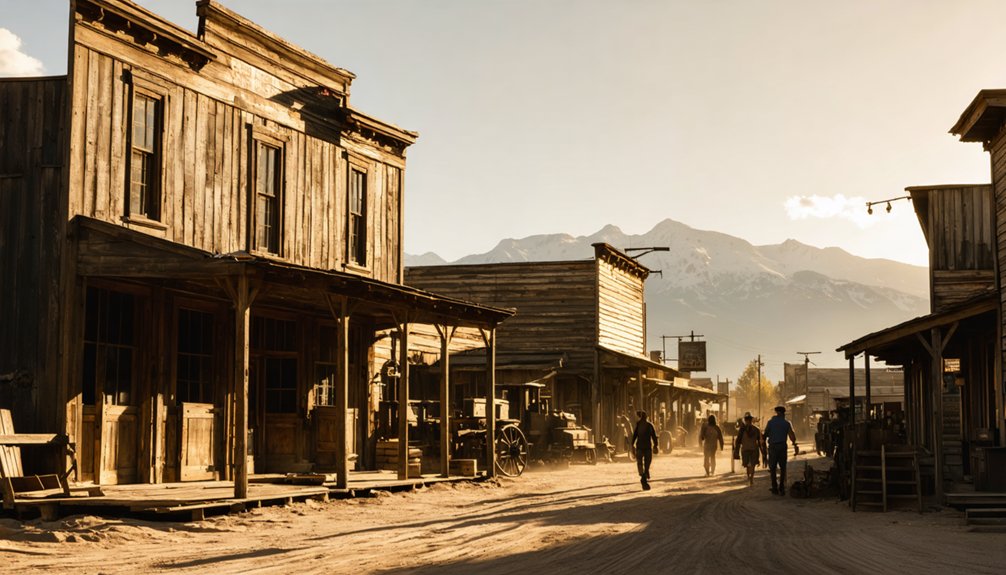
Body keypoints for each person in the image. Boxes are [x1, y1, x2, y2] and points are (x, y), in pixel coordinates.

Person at [762, 405, 798, 495]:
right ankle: (781, 487)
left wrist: (762, 443)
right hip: (782, 447)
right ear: (783, 413)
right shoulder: (786, 423)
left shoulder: (770, 423)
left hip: (773, 447)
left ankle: (774, 487)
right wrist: (794, 444)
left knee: (773, 468)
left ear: (777, 413)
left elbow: (765, 434)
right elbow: (792, 436)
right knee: (783, 468)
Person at [733, 412, 765, 486]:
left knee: (747, 465)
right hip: (754, 449)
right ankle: (751, 478)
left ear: (746, 420)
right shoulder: (756, 429)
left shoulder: (742, 430)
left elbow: (738, 441)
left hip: (745, 449)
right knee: (752, 465)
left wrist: (736, 451)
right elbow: (760, 442)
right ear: (751, 420)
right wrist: (762, 451)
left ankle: (749, 477)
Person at [632, 410, 659, 490]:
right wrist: (655, 445)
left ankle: (643, 476)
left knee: (642, 464)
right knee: (645, 464)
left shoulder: (644, 425)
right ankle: (644, 477)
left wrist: (655, 445)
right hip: (645, 447)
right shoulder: (645, 425)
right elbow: (654, 436)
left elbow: (634, 436)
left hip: (642, 447)